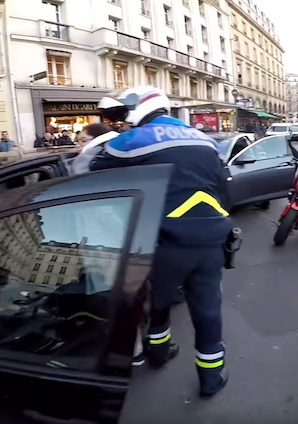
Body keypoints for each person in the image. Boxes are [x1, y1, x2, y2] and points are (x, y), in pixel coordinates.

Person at [89, 86, 231, 398]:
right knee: (208, 310)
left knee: (160, 305)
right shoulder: (205, 139)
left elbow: (93, 172)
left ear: (138, 109)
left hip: (164, 240)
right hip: (210, 238)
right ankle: (211, 378)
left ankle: (159, 353)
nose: (124, 120)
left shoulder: (132, 139)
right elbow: (224, 185)